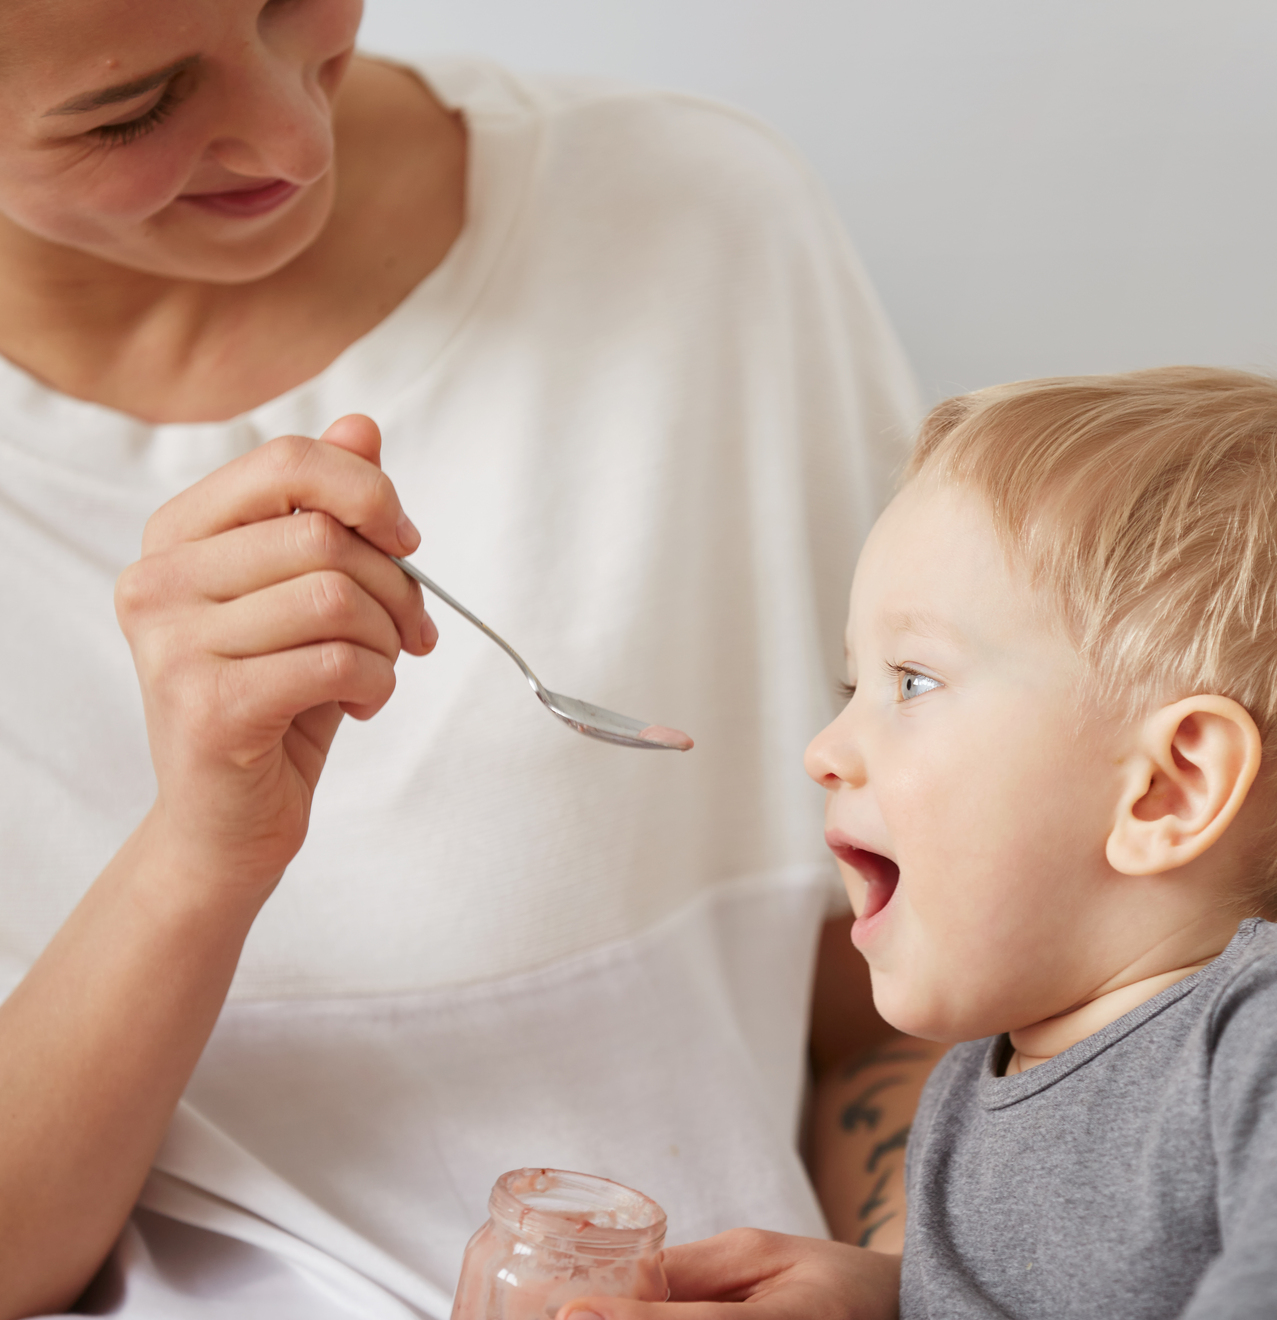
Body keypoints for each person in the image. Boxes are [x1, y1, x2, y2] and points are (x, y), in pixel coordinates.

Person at [0, 2, 932, 1317]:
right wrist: (200, 853)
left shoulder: (689, 228)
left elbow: (902, 1013)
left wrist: (898, 1276)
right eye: (134, 107)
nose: (290, 127)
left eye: (290, 2)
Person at [709, 368, 1277, 1318]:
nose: (826, 750)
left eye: (913, 681)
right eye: (850, 687)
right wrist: (890, 1302)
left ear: (1168, 788)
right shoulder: (972, 1092)